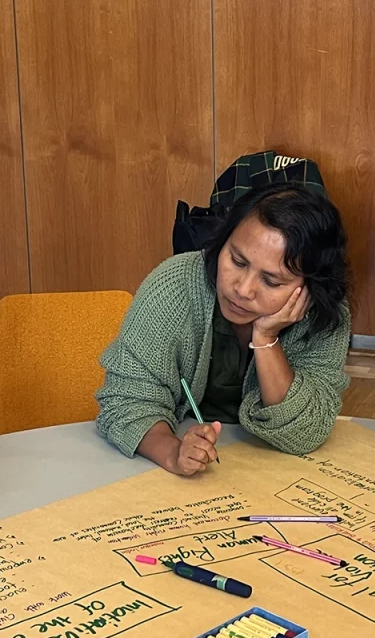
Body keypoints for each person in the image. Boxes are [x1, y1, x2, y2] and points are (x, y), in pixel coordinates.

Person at [96, 183, 353, 475]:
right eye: (237, 260)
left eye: (271, 282)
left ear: (309, 288)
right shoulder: (174, 285)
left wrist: (266, 339)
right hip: (172, 475)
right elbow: (125, 402)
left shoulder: (324, 315)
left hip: (280, 476)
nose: (242, 289)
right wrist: (174, 452)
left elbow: (305, 432)